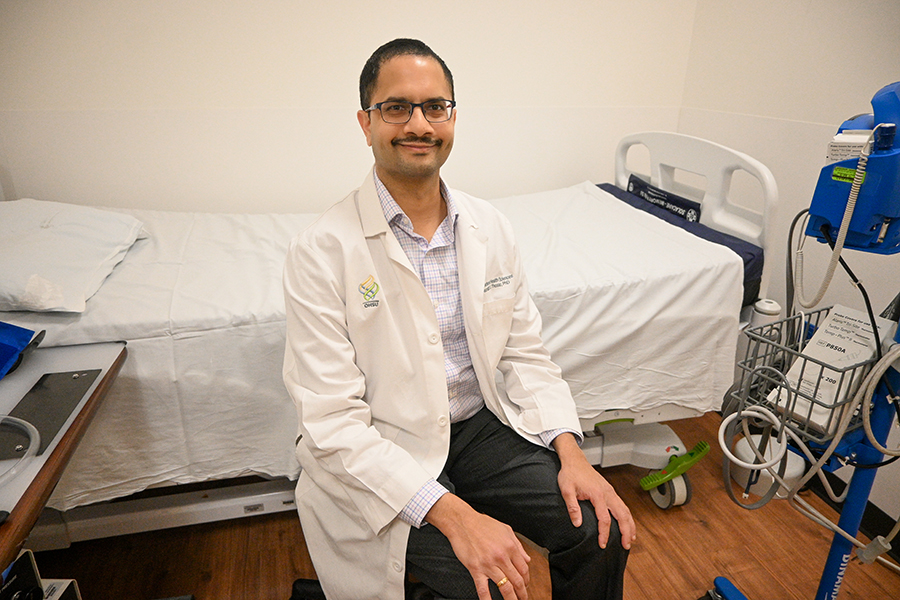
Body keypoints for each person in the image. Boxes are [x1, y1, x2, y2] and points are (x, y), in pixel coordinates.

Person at [282, 38, 635, 600]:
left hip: (477, 430)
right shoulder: (321, 250)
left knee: (600, 532)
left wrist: (573, 454)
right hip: (384, 444)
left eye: (435, 107)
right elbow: (333, 422)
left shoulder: (490, 227)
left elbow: (524, 353)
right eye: (396, 107)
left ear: (452, 117)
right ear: (365, 122)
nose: (418, 123)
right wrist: (452, 514)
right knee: (485, 586)